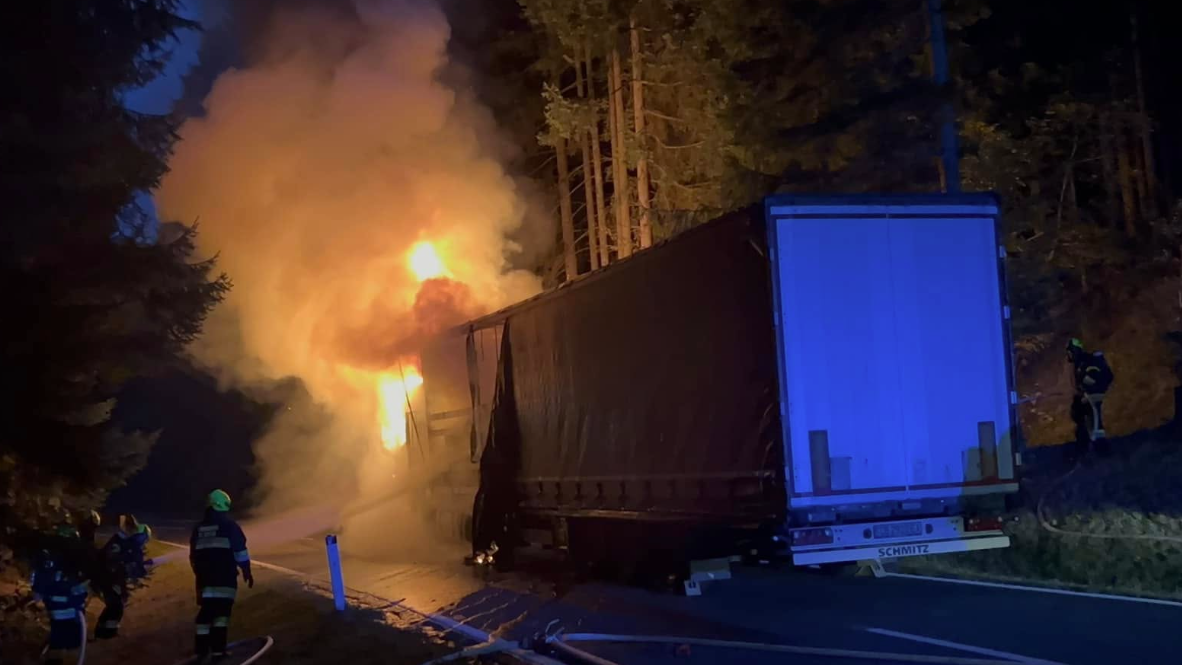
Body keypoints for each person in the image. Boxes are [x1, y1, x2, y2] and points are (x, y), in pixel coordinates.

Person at [190, 489, 253, 661]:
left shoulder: (199, 528)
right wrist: (247, 570)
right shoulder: (229, 526)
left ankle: (201, 652)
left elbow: (193, 557)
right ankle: (218, 652)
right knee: (221, 615)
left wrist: (199, 575)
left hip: (204, 580)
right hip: (225, 578)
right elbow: (240, 551)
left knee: (204, 616)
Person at [31, 524, 90, 665]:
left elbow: (39, 583)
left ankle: (54, 655)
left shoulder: (51, 558)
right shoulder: (59, 560)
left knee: (62, 636)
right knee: (62, 639)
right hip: (67, 607)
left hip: (63, 607)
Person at [93, 513, 153, 640]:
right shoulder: (122, 543)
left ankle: (104, 631)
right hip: (109, 578)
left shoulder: (123, 542)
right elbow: (114, 561)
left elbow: (132, 562)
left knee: (115, 604)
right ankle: (107, 633)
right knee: (116, 605)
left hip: (110, 577)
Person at [1066, 338, 1114, 457]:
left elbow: (1099, 377)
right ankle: (1092, 448)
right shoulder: (1080, 363)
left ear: (1074, 350)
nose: (1069, 355)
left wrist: (1089, 385)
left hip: (1093, 396)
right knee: (1090, 422)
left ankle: (1100, 449)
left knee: (1095, 422)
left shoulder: (1086, 361)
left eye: (1070, 351)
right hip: (1087, 398)